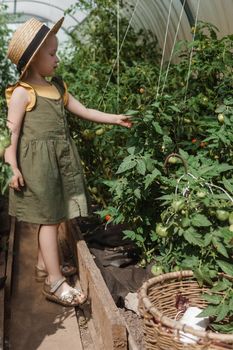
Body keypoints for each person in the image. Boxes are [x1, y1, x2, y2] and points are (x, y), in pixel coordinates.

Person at [4, 17, 132, 307]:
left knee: (59, 214)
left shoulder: (58, 88)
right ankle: (55, 281)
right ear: (34, 58)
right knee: (48, 221)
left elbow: (83, 109)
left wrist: (114, 118)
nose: (57, 59)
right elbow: (11, 135)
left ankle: (43, 266)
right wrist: (12, 166)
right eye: (52, 54)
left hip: (61, 160)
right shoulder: (23, 93)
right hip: (37, 166)